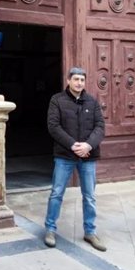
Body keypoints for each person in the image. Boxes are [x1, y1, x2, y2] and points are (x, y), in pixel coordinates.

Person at [43, 67, 106, 252]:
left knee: (89, 196)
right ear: (68, 80)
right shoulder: (57, 100)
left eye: (82, 80)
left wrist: (87, 146)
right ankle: (50, 229)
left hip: (88, 156)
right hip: (65, 155)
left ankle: (90, 232)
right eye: (76, 79)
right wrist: (73, 145)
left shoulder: (92, 102)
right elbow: (53, 126)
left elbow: (100, 127)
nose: (79, 83)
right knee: (56, 193)